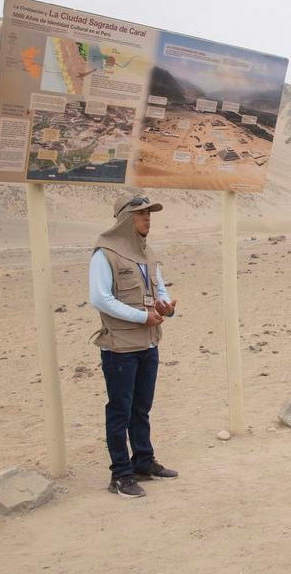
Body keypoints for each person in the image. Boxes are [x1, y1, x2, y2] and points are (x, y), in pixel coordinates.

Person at [90, 193, 179, 499]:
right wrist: (141, 317)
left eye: (149, 214)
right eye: (142, 214)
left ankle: (143, 461)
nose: (148, 219)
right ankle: (120, 474)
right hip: (120, 347)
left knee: (141, 407)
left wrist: (165, 307)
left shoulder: (147, 254)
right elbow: (100, 298)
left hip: (148, 342)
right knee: (120, 411)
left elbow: (161, 288)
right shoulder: (105, 254)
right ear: (127, 219)